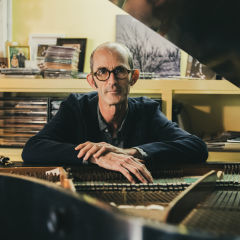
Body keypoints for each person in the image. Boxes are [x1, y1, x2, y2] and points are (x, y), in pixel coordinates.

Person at [22, 42, 208, 183]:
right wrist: (98, 157)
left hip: (138, 195)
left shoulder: (147, 110)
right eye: (102, 72)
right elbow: (32, 149)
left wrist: (132, 153)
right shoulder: (75, 107)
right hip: (84, 197)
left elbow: (197, 147)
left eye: (119, 71)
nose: (112, 81)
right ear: (92, 81)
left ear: (133, 77)